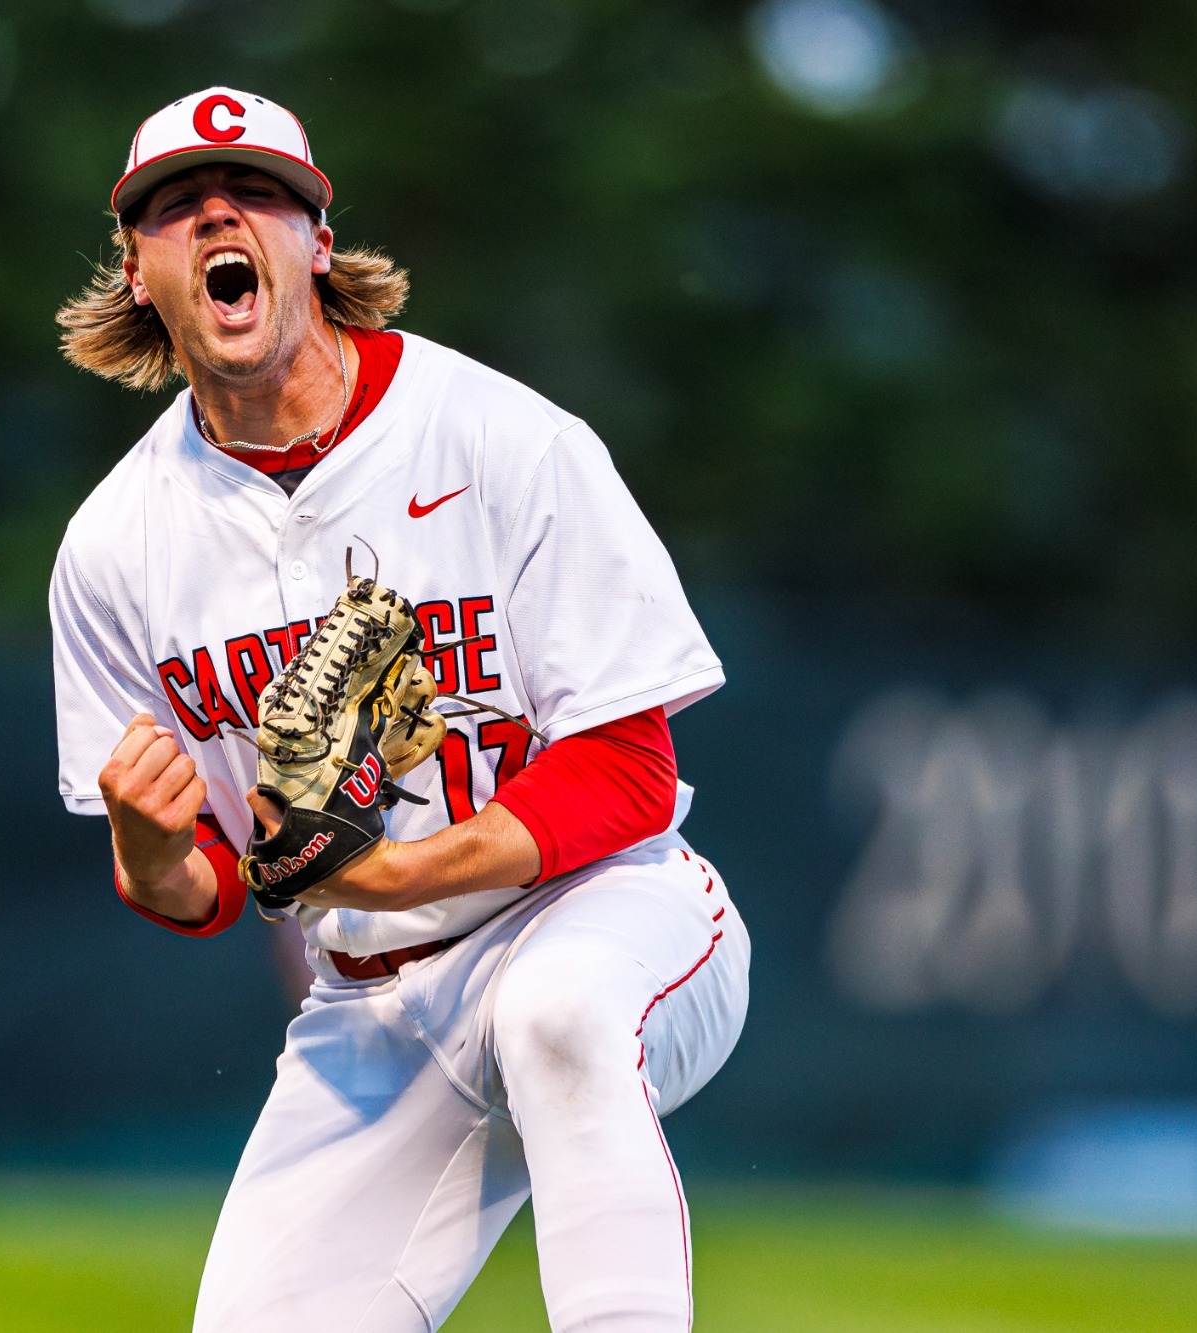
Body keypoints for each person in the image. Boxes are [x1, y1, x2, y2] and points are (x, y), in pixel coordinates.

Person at [49, 86, 749, 1332]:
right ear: (138, 270)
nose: (217, 214)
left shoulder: (502, 439)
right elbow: (198, 885)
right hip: (374, 1003)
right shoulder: (116, 545)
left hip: (604, 910)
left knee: (555, 1011)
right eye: (175, 205)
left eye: (256, 192)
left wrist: (398, 870)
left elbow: (628, 768)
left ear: (317, 243)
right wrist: (149, 846)